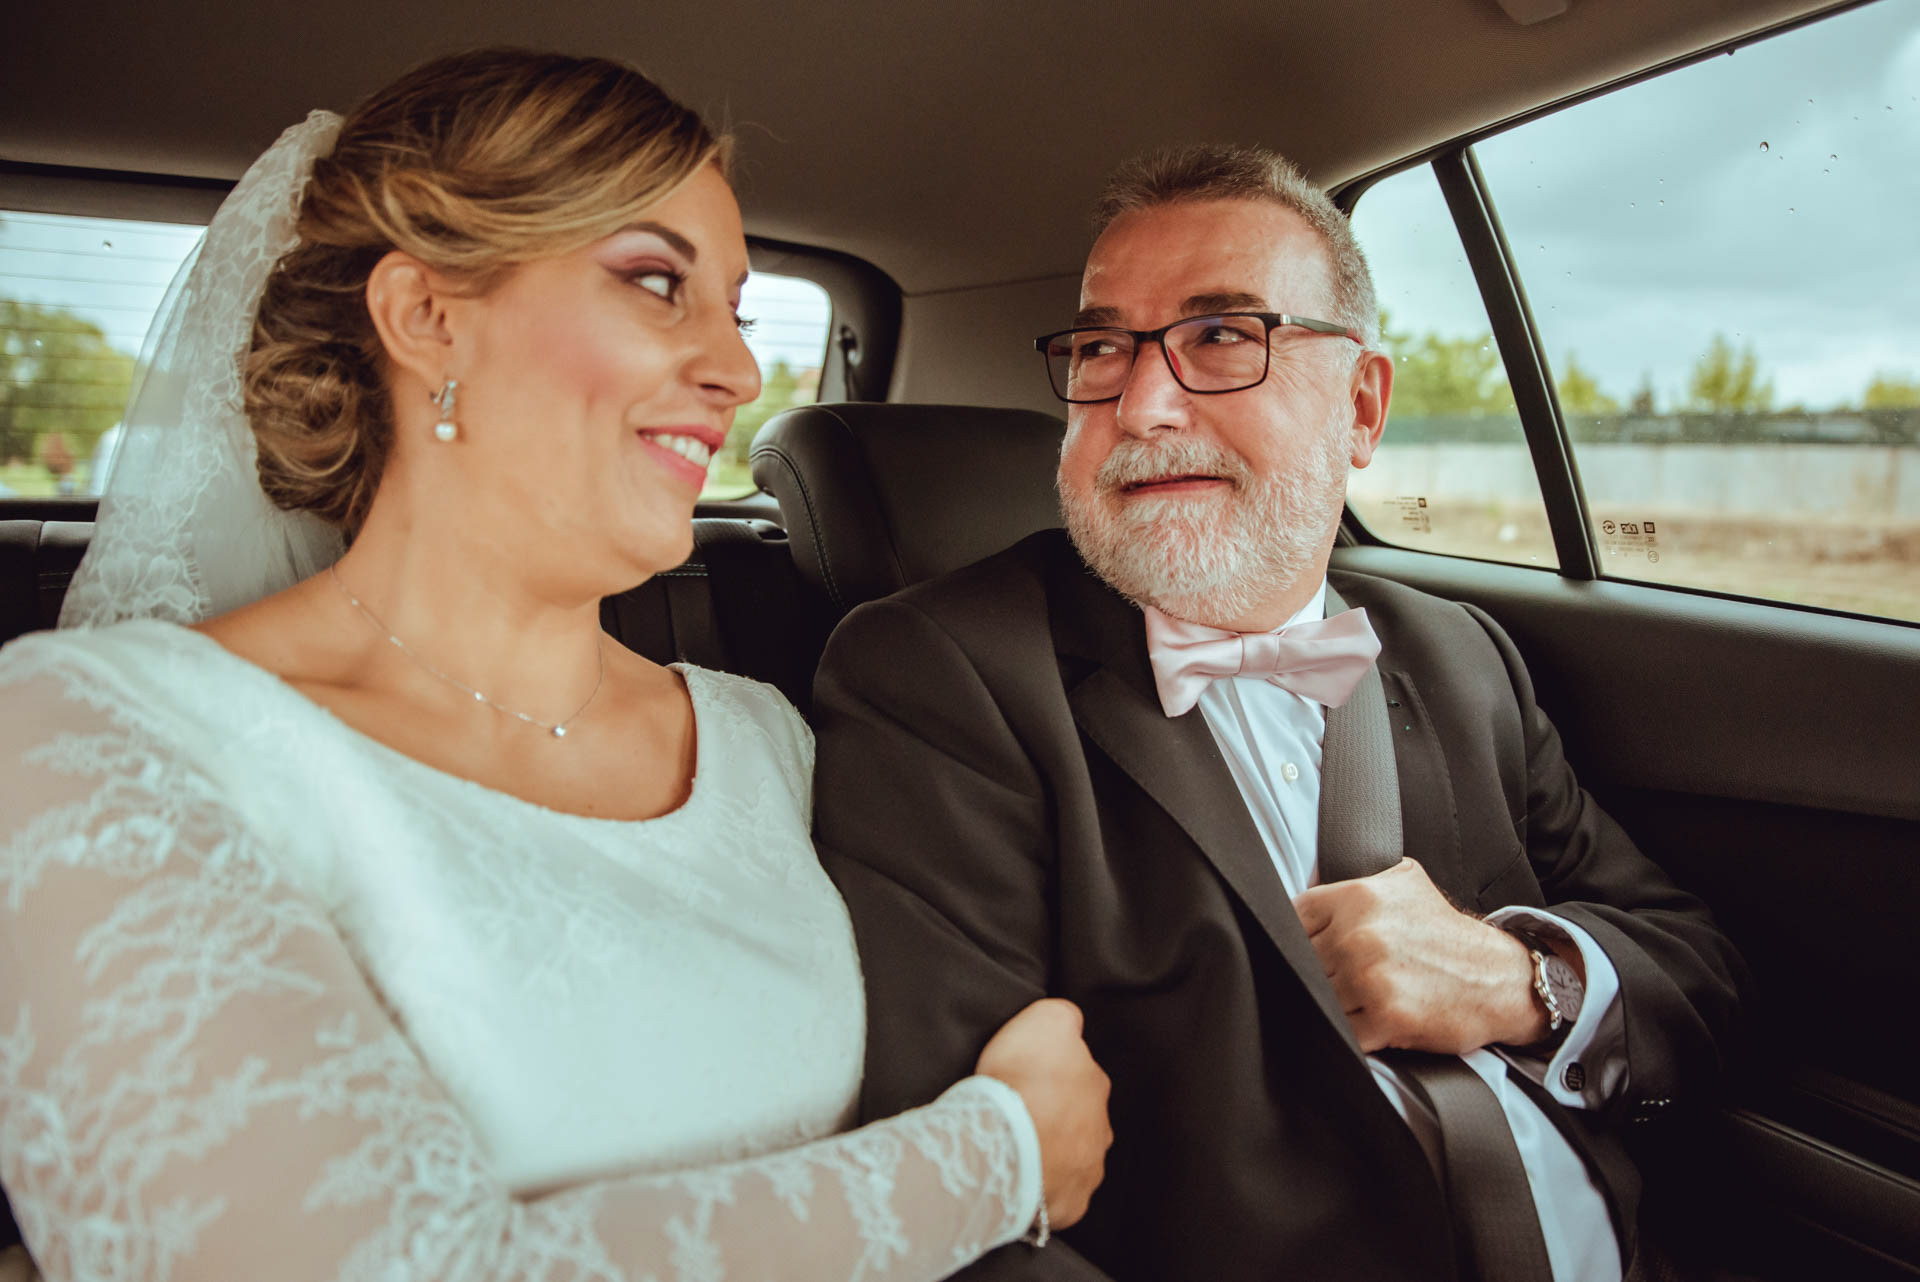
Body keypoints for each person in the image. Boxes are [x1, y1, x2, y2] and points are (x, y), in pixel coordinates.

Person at [0, 49, 1111, 1281]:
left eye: (738, 313)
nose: (741, 373)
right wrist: (996, 1157)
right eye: (655, 282)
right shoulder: (80, 740)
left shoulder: (771, 742)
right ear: (425, 316)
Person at [811, 143, 1746, 1282]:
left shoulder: (1457, 653)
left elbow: (1692, 964)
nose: (1144, 404)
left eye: (1220, 335)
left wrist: (1518, 980)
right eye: (1105, 346)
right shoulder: (940, 676)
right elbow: (966, 1204)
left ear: (1361, 406)